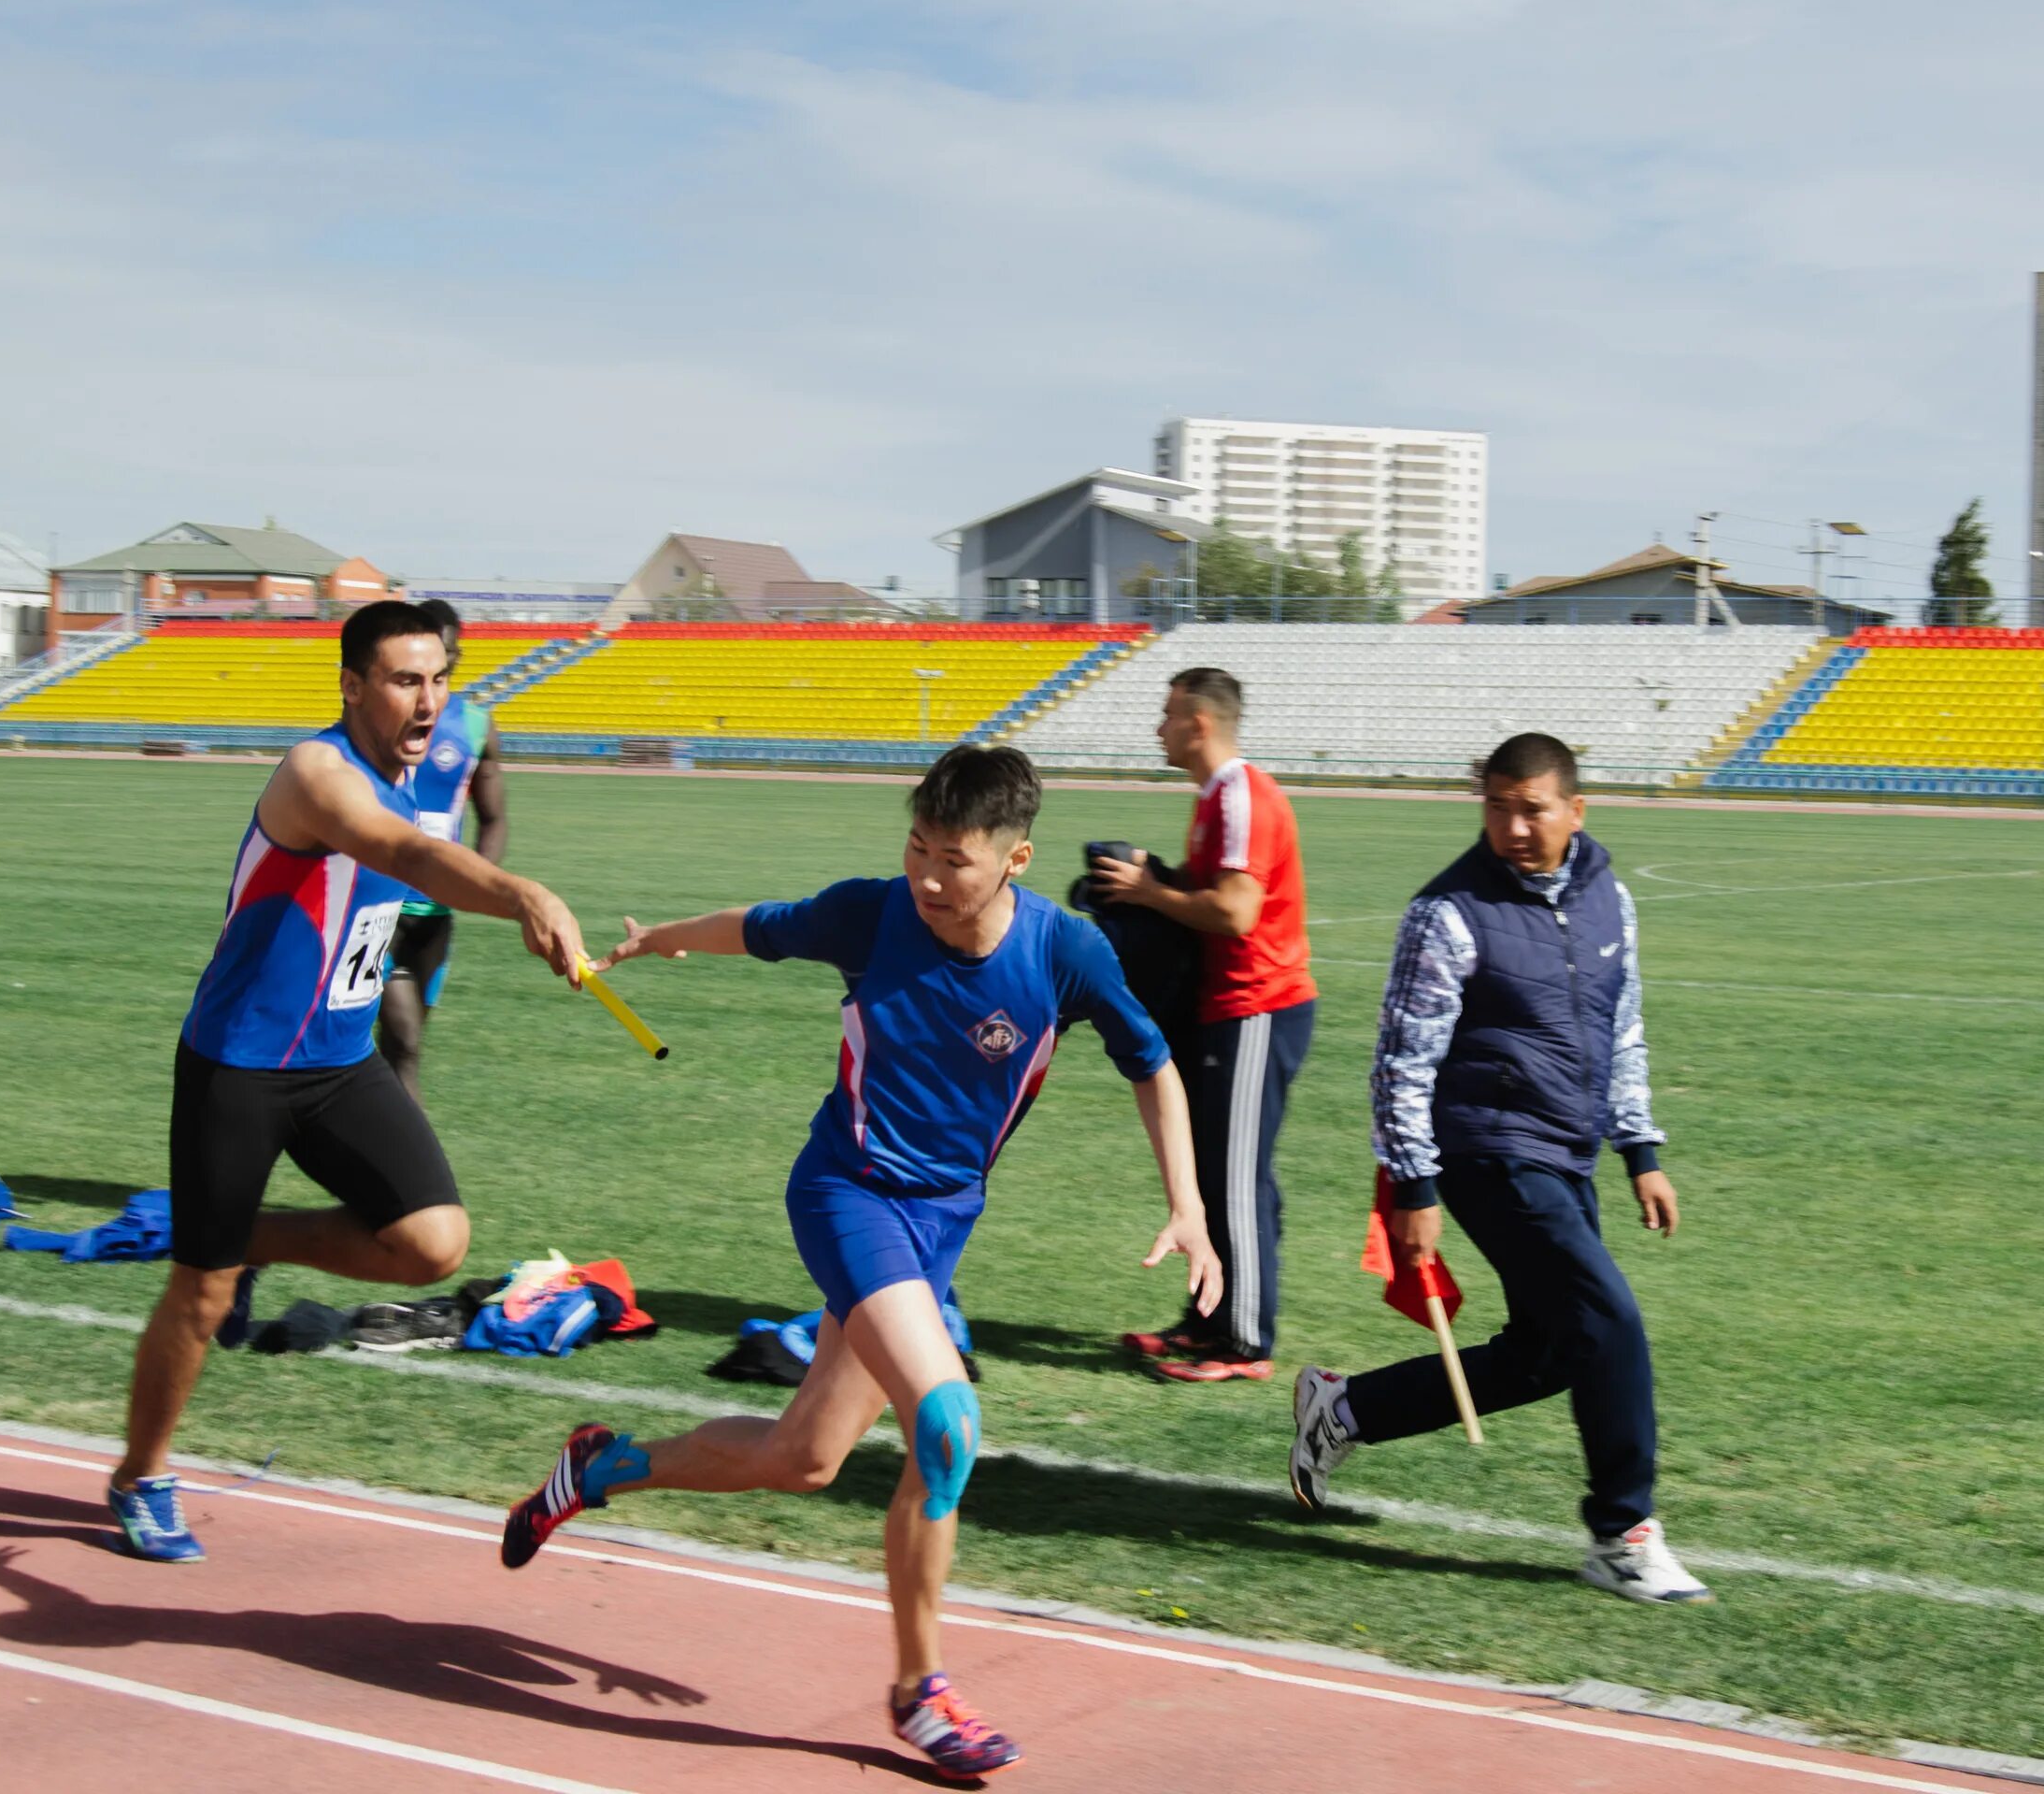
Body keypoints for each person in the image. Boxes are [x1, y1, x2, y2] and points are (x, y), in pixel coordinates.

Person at [497, 743, 1219, 1782]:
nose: (929, 877)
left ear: (1015, 858)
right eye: (917, 846)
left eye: (955, 861)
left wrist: (1188, 1204)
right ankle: (920, 1691)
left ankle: (601, 1465)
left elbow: (1152, 1063)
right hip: (847, 1194)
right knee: (948, 1419)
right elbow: (755, 926)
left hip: (940, 1225)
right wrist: (651, 942)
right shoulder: (873, 913)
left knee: (804, 1457)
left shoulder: (1069, 951)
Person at [105, 599, 589, 1566]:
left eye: (439, 678)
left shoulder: (410, 775)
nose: (429, 699)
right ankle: (140, 1474)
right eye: (406, 680)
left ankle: (244, 1240)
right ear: (353, 685)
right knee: (196, 1295)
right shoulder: (318, 772)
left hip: (336, 1062)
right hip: (240, 1063)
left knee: (433, 1242)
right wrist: (521, 892)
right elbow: (402, 852)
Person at [1287, 732, 1711, 1605]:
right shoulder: (1447, 912)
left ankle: (1346, 1410)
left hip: (1568, 1151)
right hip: (1485, 1152)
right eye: (1497, 807)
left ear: (1575, 811)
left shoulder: (1609, 901)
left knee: (1549, 1352)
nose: (1513, 827)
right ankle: (1622, 1533)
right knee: (1610, 1322)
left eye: (1532, 809)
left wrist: (1641, 1152)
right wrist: (1412, 1186)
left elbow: (1621, 1029)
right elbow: (1400, 1060)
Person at [1093, 667, 1316, 1382]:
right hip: (1227, 1008)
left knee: (1235, 1177)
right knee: (1217, 1174)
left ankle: (1243, 1343)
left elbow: (1237, 912)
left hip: (1259, 1006)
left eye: (1166, 715)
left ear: (1198, 723)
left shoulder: (1242, 794)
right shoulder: (1216, 798)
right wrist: (1152, 878)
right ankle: (1207, 1323)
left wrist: (1148, 890)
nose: (1157, 727)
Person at [378, 598, 507, 1102]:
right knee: (402, 1042)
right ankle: (403, 1176)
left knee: (403, 1049)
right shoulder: (380, 718)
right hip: (378, 908)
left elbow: (494, 819)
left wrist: (477, 879)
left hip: (435, 916)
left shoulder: (477, 728)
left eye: (447, 656)